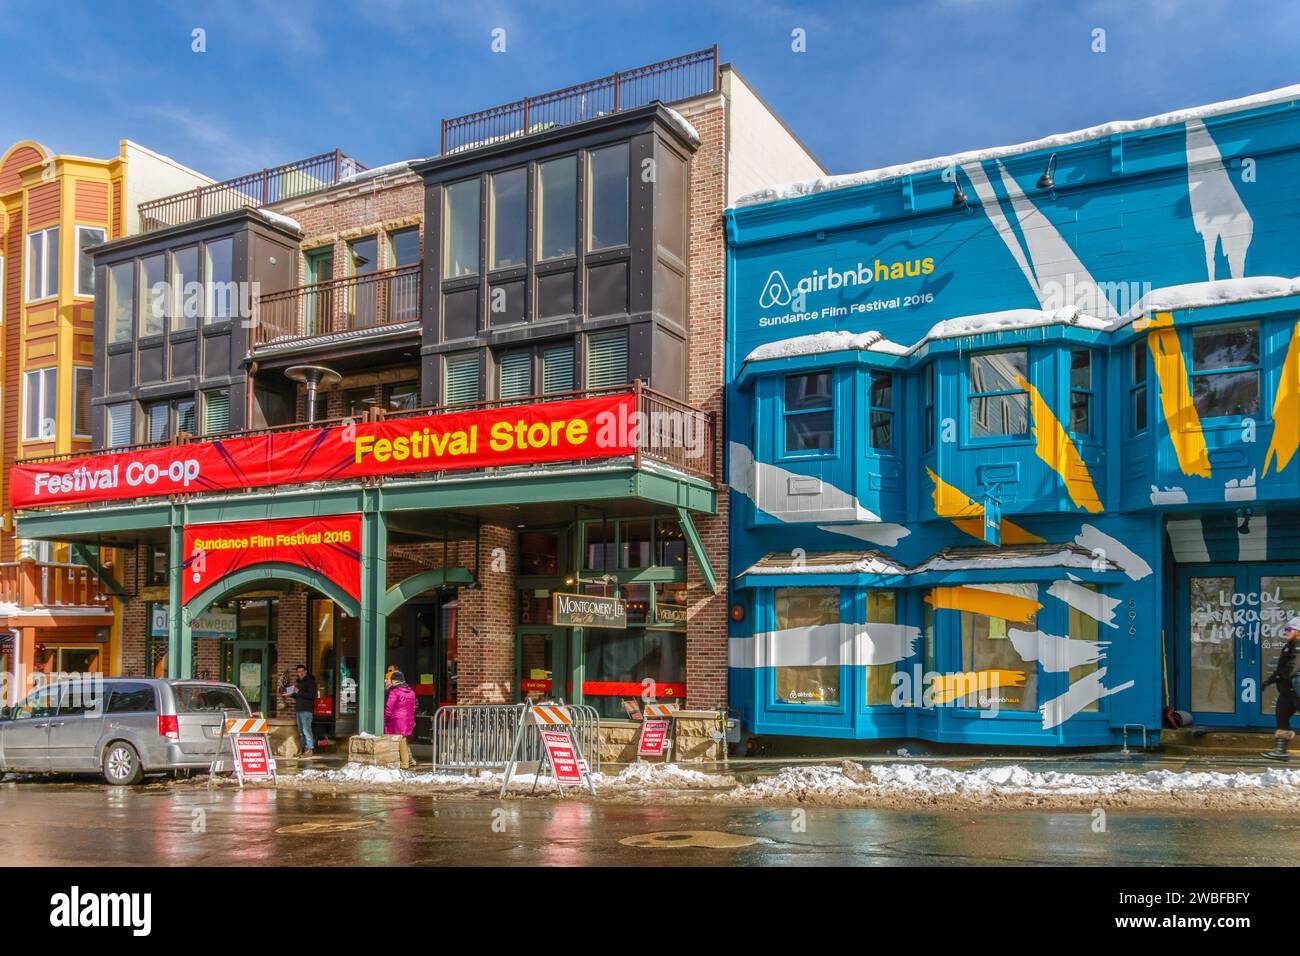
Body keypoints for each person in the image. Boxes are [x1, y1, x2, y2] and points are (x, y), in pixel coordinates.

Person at [1261, 616, 1300, 760]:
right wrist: (1269, 681)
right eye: (1285, 629)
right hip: (1287, 692)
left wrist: (1279, 677)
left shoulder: (1298, 645)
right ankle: (1280, 751)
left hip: (1297, 691)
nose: (1286, 632)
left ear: (1297, 631)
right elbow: (1281, 668)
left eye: (1289, 629)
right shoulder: (1289, 645)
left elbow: (1292, 667)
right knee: (1281, 718)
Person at [288, 664, 318, 757]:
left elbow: (312, 696)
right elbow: (298, 696)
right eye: (298, 672)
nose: (300, 673)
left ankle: (309, 749)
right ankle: (304, 749)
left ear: (305, 671)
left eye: (302, 671)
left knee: (306, 730)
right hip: (299, 710)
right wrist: (290, 693)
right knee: (301, 731)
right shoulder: (298, 682)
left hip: (307, 710)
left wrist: (298, 692)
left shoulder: (311, 682)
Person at [384, 670, 417, 739]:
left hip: (396, 723)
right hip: (408, 721)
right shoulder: (411, 692)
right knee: (403, 741)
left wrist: (384, 719)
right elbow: (413, 707)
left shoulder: (394, 692)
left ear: (394, 681)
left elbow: (388, 708)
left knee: (395, 744)